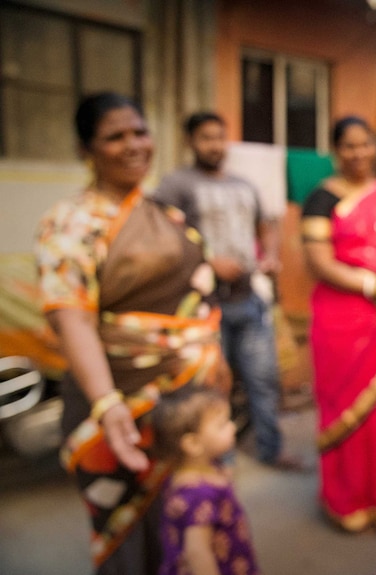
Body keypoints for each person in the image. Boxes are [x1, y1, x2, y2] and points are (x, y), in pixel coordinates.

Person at [34, 92, 227, 574]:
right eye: (114, 136)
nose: (133, 144)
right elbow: (71, 315)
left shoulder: (166, 214)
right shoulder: (70, 222)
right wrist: (107, 403)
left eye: (139, 132)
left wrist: (213, 358)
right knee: (130, 535)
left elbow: (197, 300)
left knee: (190, 526)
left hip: (187, 407)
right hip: (118, 403)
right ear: (87, 149)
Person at [153, 112, 301, 470]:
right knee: (211, 385)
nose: (214, 145)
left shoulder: (243, 184)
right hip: (202, 308)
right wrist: (207, 260)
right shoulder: (174, 186)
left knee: (262, 379)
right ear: (190, 141)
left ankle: (270, 448)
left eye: (220, 137)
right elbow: (158, 237)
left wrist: (270, 255)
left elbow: (267, 225)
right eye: (206, 138)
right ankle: (219, 460)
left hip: (248, 299)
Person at [301, 116, 376, 534]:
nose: (358, 153)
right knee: (341, 406)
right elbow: (317, 261)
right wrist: (373, 285)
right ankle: (344, 498)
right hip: (338, 318)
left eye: (365, 144)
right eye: (349, 146)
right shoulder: (321, 197)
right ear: (336, 151)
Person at [151, 385, 260, 575]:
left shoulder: (189, 471)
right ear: (193, 444)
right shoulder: (199, 494)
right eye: (222, 424)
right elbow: (197, 553)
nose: (232, 427)